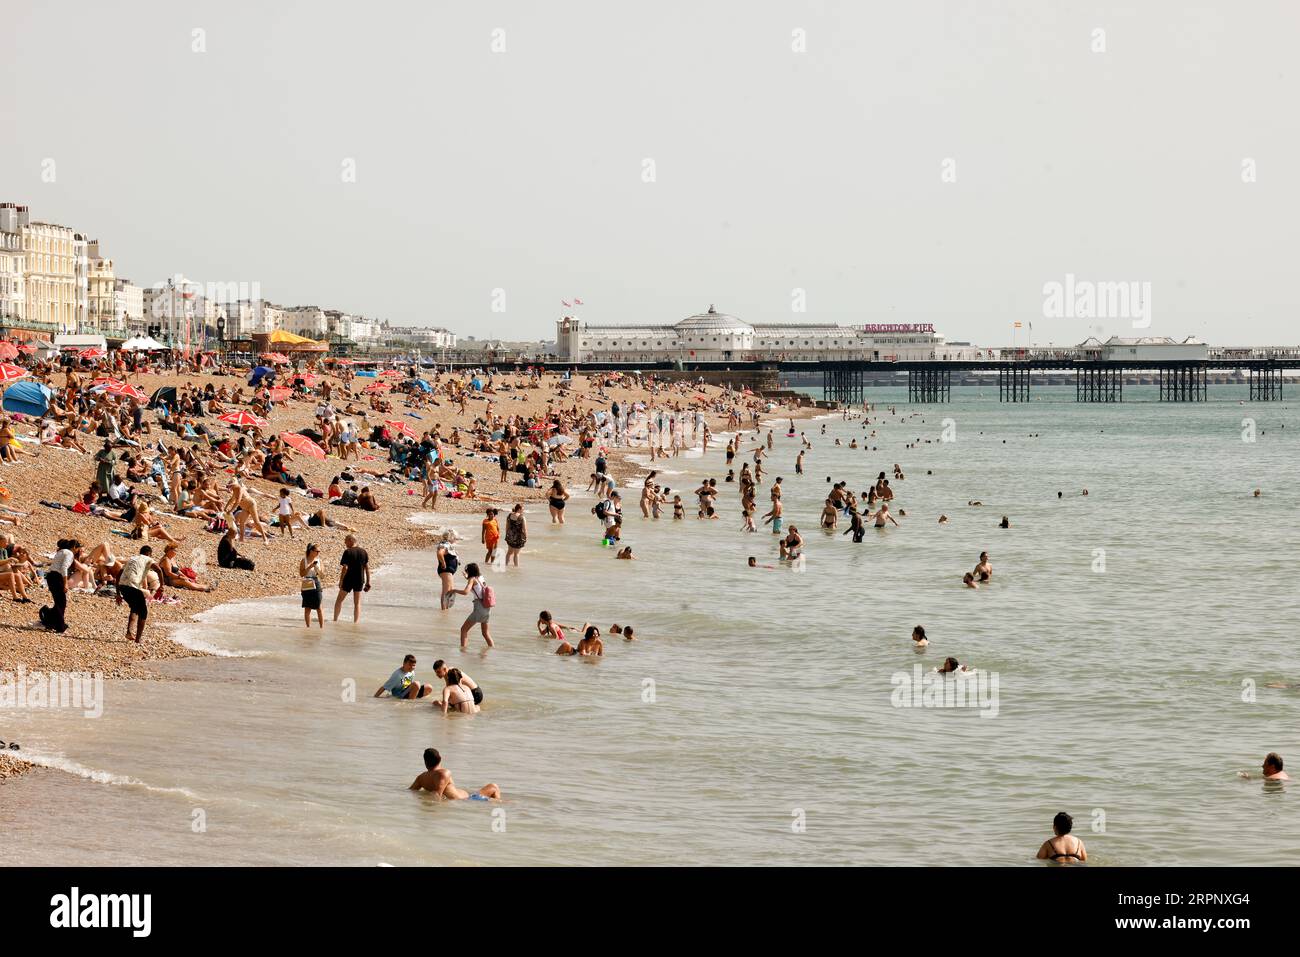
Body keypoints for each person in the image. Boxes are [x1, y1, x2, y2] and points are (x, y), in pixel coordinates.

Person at [408, 747, 501, 801]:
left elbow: (411, 791)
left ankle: (494, 803)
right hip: (467, 800)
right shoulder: (444, 773)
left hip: (466, 798)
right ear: (440, 759)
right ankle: (498, 805)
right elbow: (437, 794)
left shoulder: (421, 778)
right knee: (494, 786)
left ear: (425, 762)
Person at [116, 546, 155, 643]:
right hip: (132, 586)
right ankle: (138, 639)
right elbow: (158, 569)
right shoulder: (148, 558)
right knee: (143, 612)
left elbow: (119, 574)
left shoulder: (132, 559)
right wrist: (162, 586)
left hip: (122, 586)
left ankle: (129, 632)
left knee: (134, 608)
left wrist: (118, 594)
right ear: (149, 554)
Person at [455, 563, 494, 649]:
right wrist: (467, 577)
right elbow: (476, 585)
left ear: (470, 572)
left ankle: (463, 651)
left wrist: (454, 590)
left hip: (479, 609)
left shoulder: (472, 579)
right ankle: (492, 649)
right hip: (487, 608)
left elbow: (465, 592)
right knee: (485, 633)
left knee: (463, 630)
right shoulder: (481, 577)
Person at [332, 534, 370, 623]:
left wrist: (341, 580)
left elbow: (345, 568)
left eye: (346, 541)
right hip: (359, 579)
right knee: (357, 603)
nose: (345, 543)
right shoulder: (364, 552)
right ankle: (356, 622)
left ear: (351, 540)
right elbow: (367, 568)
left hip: (348, 579)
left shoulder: (347, 552)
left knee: (339, 600)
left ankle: (335, 620)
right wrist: (368, 582)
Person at [300, 543, 324, 627]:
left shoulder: (319, 561)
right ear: (311, 551)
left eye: (319, 551)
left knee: (319, 607)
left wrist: (317, 568)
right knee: (307, 607)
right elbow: (301, 574)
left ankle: (322, 628)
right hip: (307, 582)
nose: (318, 553)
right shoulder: (304, 560)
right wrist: (310, 567)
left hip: (316, 582)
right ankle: (308, 628)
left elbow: (322, 576)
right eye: (317, 551)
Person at [435, 531, 459, 610]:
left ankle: (446, 609)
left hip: (448, 571)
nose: (456, 540)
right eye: (455, 538)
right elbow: (439, 553)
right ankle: (444, 611)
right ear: (451, 537)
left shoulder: (447, 545)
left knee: (450, 590)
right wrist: (443, 563)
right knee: (446, 590)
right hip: (446, 570)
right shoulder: (445, 545)